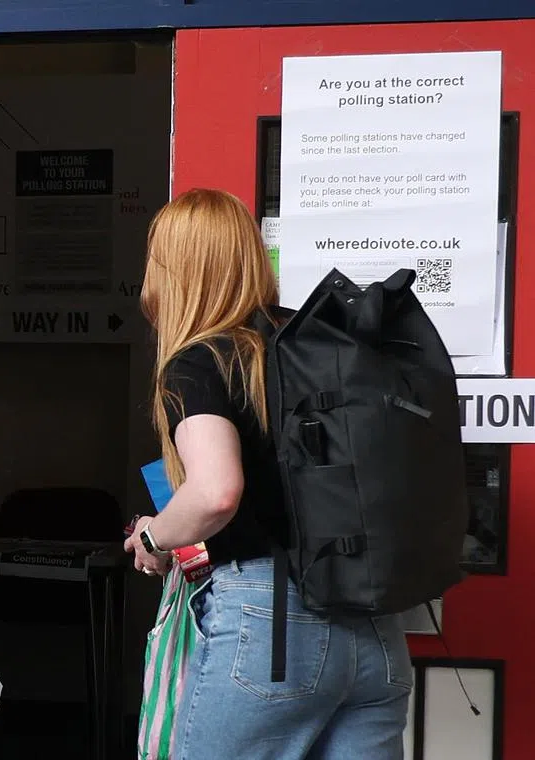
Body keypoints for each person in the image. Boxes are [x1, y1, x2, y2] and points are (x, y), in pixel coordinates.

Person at [124, 188, 412, 759]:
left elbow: (215, 491)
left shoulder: (202, 360)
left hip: (273, 630)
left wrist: (153, 536)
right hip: (375, 632)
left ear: (173, 272)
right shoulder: (319, 347)